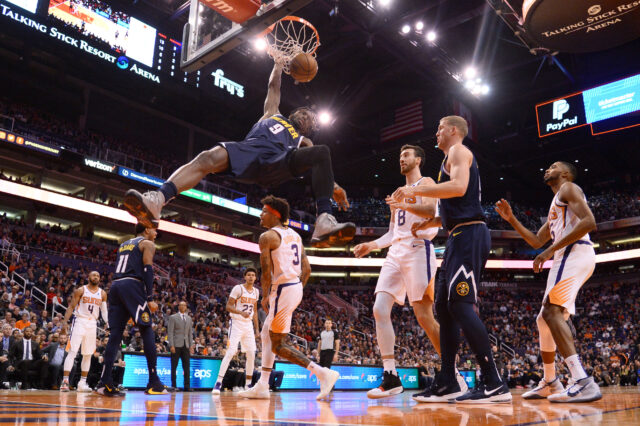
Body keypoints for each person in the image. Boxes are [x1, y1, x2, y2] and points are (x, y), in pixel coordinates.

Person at [123, 61, 355, 248]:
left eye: (311, 120)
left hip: (278, 162)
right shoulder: (272, 114)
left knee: (322, 152)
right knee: (206, 158)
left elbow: (318, 163)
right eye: (305, 112)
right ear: (295, 112)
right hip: (250, 149)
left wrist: (334, 185)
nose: (307, 116)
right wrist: (278, 61)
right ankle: (157, 200)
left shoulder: (303, 140)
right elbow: (274, 86)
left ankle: (324, 220)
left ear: (308, 128)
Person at [395, 116, 511, 403]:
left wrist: (416, 190)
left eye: (439, 128)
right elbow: (455, 200)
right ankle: (447, 380)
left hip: (470, 234)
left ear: (453, 130)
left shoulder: (459, 151)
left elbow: (459, 187)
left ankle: (493, 380)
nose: (435, 133)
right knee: (445, 308)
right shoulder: (448, 158)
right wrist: (431, 219)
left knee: (459, 304)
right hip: (457, 236)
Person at [353, 144, 467, 400]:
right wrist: (371, 245)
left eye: (406, 155)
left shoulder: (426, 182)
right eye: (400, 156)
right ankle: (391, 376)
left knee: (424, 316)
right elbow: (393, 232)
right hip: (396, 251)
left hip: (419, 250)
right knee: (379, 309)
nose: (401, 159)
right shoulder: (398, 192)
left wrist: (403, 202)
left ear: (418, 160)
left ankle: (454, 374)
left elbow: (430, 211)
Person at [494, 161, 601, 402]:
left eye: (553, 166)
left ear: (564, 173)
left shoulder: (568, 188)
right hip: (565, 256)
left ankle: (581, 380)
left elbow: (589, 222)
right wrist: (512, 219)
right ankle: (550, 381)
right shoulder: (556, 203)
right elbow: (535, 241)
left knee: (552, 312)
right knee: (543, 320)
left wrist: (550, 251)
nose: (546, 169)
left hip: (574, 253)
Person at [239, 196, 339, 400]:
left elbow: (266, 273)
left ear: (274, 214)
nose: (260, 214)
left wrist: (266, 296)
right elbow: (307, 269)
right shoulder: (294, 235)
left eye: (264, 211)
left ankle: (323, 373)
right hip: (294, 287)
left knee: (277, 344)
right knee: (267, 333)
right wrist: (296, 289)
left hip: (282, 290)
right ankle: (263, 385)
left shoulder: (267, 237)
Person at [96, 224, 167, 396]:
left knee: (115, 335)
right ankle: (153, 382)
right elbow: (148, 269)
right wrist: (149, 298)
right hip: (132, 285)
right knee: (146, 328)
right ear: (146, 230)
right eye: (154, 230)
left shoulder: (124, 244)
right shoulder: (147, 244)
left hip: (116, 285)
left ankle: (104, 382)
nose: (156, 233)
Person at [212, 268, 260, 395]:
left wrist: (257, 329)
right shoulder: (238, 288)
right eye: (249, 275)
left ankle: (248, 385)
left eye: (253, 275)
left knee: (251, 353)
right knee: (231, 351)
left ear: (255, 278)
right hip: (237, 322)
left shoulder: (256, 291)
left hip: (248, 324)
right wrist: (240, 312)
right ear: (245, 277)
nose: (251, 277)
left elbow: (254, 311)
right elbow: (228, 306)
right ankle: (218, 382)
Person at [60, 270, 108, 392]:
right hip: (79, 321)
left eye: (98, 275)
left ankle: (82, 383)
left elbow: (104, 311)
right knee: (72, 351)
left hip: (92, 323)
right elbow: (71, 307)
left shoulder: (102, 293)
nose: (96, 277)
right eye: (93, 275)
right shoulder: (81, 290)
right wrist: (65, 322)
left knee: (88, 354)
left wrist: (108, 322)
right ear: (88, 277)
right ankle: (65, 381)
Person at [168, 300, 194, 391]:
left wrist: (191, 345)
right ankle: (174, 386)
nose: (183, 307)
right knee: (174, 366)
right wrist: (171, 345)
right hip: (176, 345)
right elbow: (170, 332)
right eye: (181, 305)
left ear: (186, 307)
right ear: (178, 307)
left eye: (184, 305)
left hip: (185, 345)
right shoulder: (173, 317)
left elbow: (190, 333)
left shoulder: (189, 318)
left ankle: (187, 386)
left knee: (186, 366)